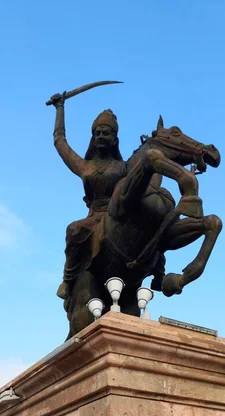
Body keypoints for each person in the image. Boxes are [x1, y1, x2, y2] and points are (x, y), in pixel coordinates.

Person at [52, 93, 127, 300]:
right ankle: (68, 280)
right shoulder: (85, 166)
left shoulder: (124, 167)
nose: (101, 136)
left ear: (115, 140)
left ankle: (158, 271)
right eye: (97, 133)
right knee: (74, 229)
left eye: (106, 133)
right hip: (94, 217)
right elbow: (60, 142)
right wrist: (60, 109)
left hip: (118, 216)